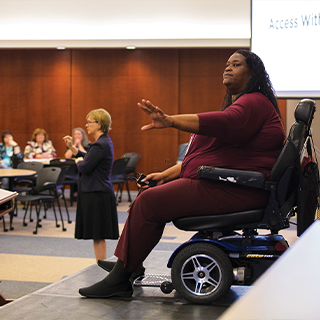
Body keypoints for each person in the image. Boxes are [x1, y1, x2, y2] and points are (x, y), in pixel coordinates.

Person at [78, 50, 286, 299]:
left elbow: (226, 123)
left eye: (236, 64)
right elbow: (215, 152)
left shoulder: (254, 102)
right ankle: (129, 264)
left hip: (240, 188)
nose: (227, 68)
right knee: (149, 197)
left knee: (149, 202)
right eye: (227, 64)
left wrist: (170, 120)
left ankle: (120, 281)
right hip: (234, 185)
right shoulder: (248, 103)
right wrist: (168, 174)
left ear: (252, 73)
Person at [63, 109, 119, 262]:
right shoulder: (102, 143)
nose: (86, 125)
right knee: (98, 235)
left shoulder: (99, 145)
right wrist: (73, 149)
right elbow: (88, 157)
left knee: (98, 235)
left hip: (96, 193)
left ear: (99, 124)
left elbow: (85, 166)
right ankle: (101, 265)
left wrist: (78, 162)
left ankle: (101, 266)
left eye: (90, 122)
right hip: (99, 191)